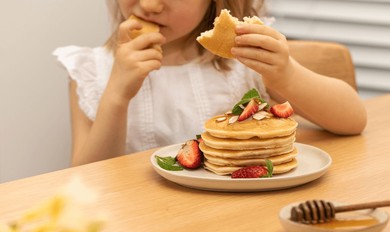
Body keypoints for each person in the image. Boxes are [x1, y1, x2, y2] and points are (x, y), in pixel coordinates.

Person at [53, 0, 367, 166]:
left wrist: (287, 74)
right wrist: (117, 96)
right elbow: (86, 177)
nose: (149, 4)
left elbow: (352, 120)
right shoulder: (93, 69)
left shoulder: (244, 54)